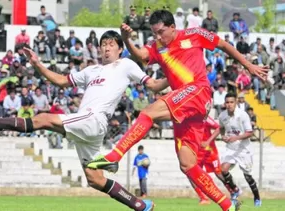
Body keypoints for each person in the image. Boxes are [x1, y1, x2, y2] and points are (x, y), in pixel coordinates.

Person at [87, 10, 267, 211]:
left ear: (173, 27)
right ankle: (228, 205)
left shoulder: (195, 34)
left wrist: (248, 65)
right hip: (187, 105)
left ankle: (115, 156)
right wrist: (128, 39)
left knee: (148, 112)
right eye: (154, 33)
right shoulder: (156, 46)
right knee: (187, 164)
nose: (158, 37)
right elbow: (141, 56)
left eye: (161, 32)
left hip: (197, 91)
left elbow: (223, 45)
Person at [0, 30, 172, 211]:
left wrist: (171, 77)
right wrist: (37, 64)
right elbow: (60, 81)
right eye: (104, 44)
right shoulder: (91, 70)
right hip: (87, 124)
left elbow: (153, 85)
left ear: (120, 49)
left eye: (112, 44)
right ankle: (138, 205)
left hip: (95, 119)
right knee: (95, 179)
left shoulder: (125, 65)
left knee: (44, 119)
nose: (107, 47)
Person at [219, 93, 261, 207]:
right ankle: (235, 190)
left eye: (231, 102)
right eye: (227, 102)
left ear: (236, 102)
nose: (229, 105)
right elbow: (221, 128)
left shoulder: (243, 115)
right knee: (223, 169)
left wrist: (235, 138)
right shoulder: (222, 115)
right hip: (231, 149)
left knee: (247, 176)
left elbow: (250, 132)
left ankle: (256, 196)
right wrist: (223, 136)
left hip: (244, 149)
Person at [189, 117, 232, 205]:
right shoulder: (186, 119)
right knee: (191, 174)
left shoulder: (204, 118)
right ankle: (203, 198)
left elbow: (219, 127)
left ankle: (232, 191)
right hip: (196, 151)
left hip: (209, 150)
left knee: (219, 173)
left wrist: (208, 141)